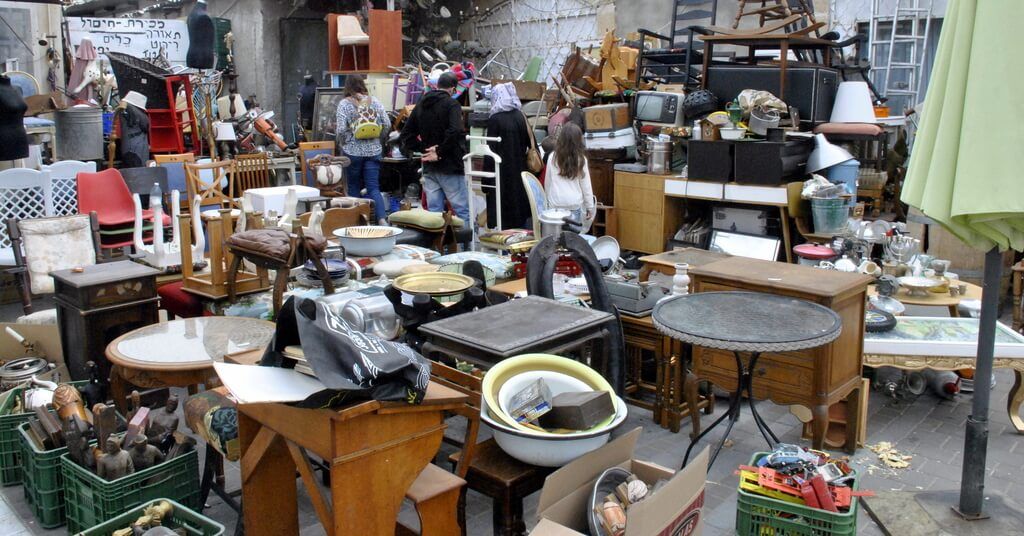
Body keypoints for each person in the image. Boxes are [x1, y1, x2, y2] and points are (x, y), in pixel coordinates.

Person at [399, 72, 470, 222]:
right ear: (452, 89)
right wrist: (439, 151)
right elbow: (455, 130)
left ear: (437, 86)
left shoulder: (422, 103)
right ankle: (467, 244)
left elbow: (406, 134)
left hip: (429, 167)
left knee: (434, 214)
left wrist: (424, 149)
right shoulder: (452, 104)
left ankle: (436, 245)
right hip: (450, 165)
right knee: (462, 211)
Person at [336, 75, 391, 224]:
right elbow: (387, 124)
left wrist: (345, 142)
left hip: (352, 153)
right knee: (373, 187)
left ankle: (358, 221)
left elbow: (340, 130)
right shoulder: (374, 101)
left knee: (353, 186)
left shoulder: (344, 104)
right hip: (374, 151)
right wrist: (378, 139)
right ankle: (381, 219)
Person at [485, 83, 532, 230]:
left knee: (501, 213)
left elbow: (489, 151)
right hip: (520, 171)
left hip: (501, 175)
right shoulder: (520, 116)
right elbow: (529, 143)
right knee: (518, 210)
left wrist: (485, 180)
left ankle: (503, 246)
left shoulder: (495, 119)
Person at [544, 124, 595, 231]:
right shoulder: (581, 159)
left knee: (556, 239)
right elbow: (586, 186)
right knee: (572, 240)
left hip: (556, 204)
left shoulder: (552, 157)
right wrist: (590, 206)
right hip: (574, 203)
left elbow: (548, 182)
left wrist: (547, 201)